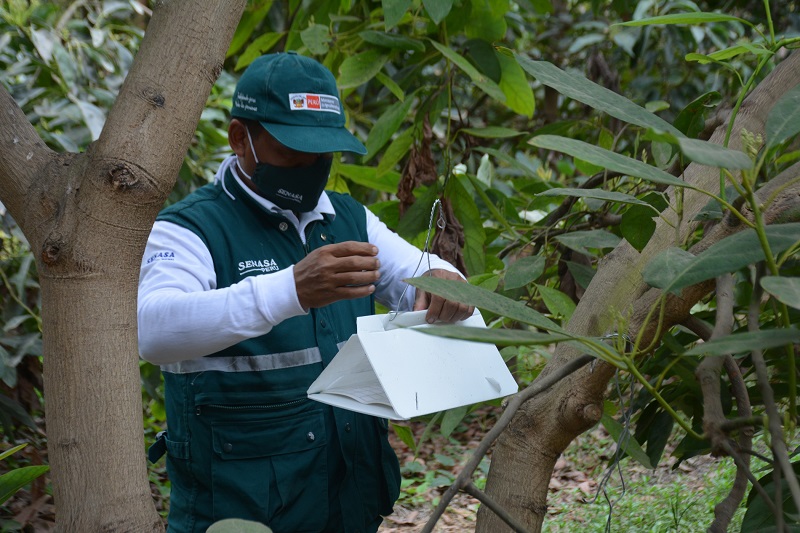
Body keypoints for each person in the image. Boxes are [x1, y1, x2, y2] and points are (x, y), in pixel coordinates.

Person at [138, 51, 473, 533]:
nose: (309, 167)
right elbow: (155, 330)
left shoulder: (347, 218)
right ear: (240, 139)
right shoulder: (190, 229)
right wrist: (290, 290)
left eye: (321, 154)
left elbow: (414, 274)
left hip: (347, 501)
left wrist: (443, 277)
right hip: (242, 509)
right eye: (291, 153)